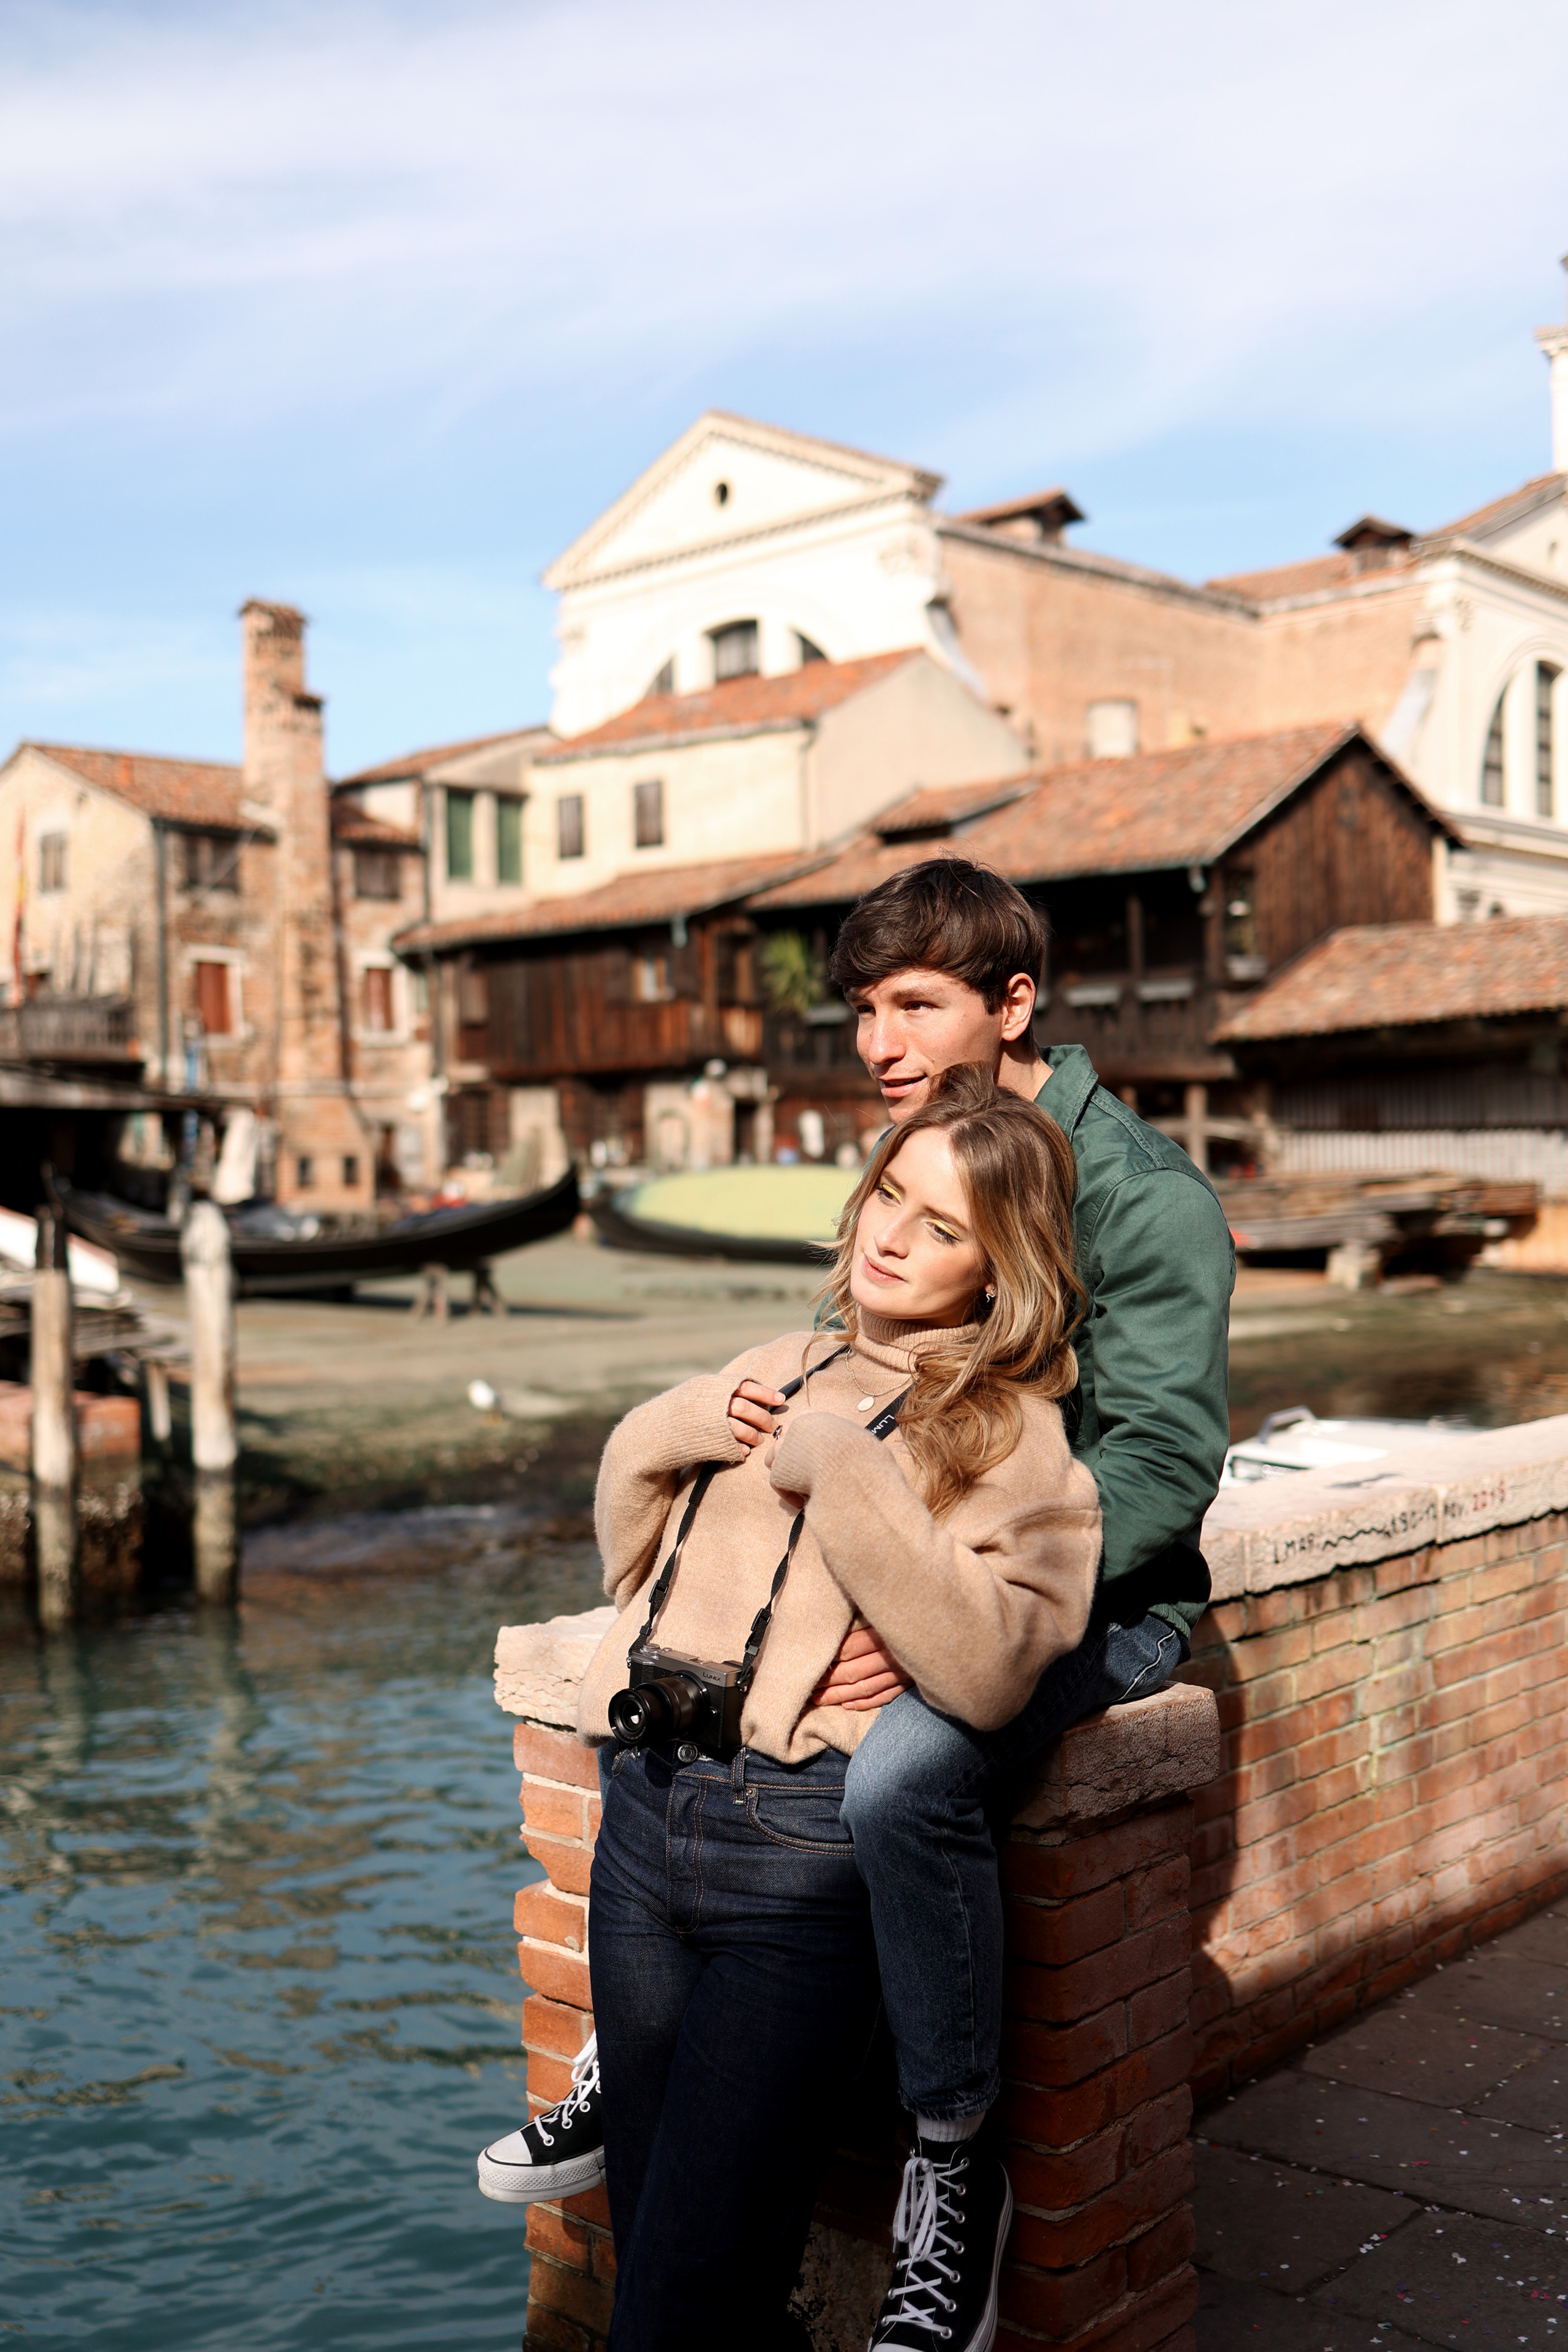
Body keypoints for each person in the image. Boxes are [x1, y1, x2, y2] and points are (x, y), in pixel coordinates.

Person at [480, 857, 1234, 2352]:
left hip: (1093, 1590)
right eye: (862, 1012)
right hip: (898, 1585)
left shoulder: (1140, 1196)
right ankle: (645, 2061)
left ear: (1012, 1005)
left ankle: (950, 2162)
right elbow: (858, 1394)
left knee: (893, 1780)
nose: (877, 1044)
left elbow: (1157, 1464)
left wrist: (942, 1597)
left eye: (914, 1007)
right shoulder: (912, 1156)